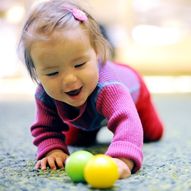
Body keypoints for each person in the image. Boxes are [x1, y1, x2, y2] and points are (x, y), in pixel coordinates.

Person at [18, 0, 164, 179]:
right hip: (90, 111)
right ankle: (89, 125)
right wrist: (53, 150)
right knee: (77, 142)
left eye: (79, 64)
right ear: (37, 72)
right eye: (53, 73)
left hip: (136, 93)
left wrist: (122, 157)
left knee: (152, 133)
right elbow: (45, 128)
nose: (69, 79)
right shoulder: (44, 95)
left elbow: (128, 122)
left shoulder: (110, 88)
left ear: (97, 53)